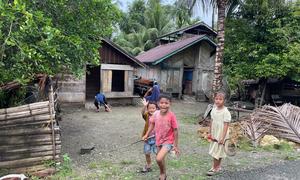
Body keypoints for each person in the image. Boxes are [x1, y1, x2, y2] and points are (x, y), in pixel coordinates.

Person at [143, 94, 179, 180]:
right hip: (158, 140)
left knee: (158, 159)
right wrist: (146, 134)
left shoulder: (171, 115)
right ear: (158, 103)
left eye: (166, 103)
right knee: (161, 159)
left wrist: (175, 145)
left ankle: (162, 173)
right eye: (161, 103)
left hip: (168, 140)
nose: (164, 105)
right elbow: (152, 124)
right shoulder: (156, 114)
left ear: (170, 104)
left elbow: (175, 130)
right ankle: (163, 173)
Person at [206, 91, 231, 176]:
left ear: (224, 101)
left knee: (218, 150)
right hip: (214, 132)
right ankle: (217, 166)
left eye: (220, 99)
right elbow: (211, 121)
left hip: (222, 134)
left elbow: (226, 125)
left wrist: (222, 138)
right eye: (216, 99)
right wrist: (210, 132)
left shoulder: (226, 112)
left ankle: (214, 168)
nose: (218, 101)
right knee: (216, 150)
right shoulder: (213, 109)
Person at [140, 98, 158, 173]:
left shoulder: (159, 116)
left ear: (156, 109)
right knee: (147, 153)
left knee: (158, 153)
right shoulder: (147, 116)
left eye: (153, 108)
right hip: (147, 138)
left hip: (156, 139)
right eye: (150, 108)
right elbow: (142, 113)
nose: (152, 110)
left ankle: (161, 164)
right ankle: (149, 164)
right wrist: (144, 106)